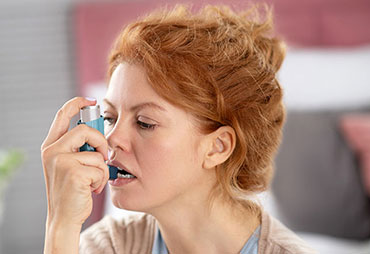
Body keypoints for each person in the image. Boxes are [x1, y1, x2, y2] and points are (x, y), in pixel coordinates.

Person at [41, 4, 316, 254]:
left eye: (144, 123)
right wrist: (61, 224)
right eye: (110, 118)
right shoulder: (110, 246)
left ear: (217, 147)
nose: (112, 140)